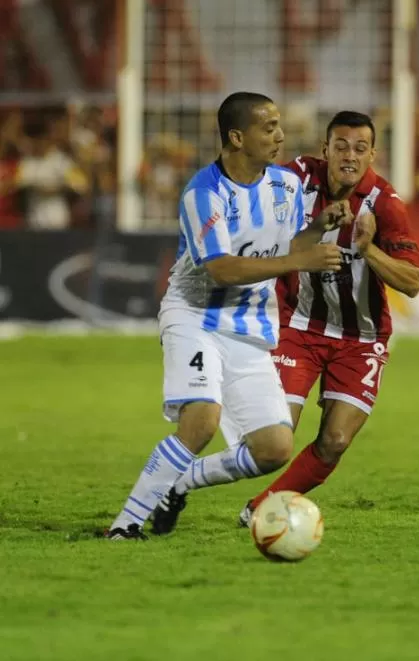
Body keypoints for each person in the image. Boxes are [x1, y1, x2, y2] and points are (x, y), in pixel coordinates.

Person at [150, 110, 419, 534]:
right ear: (325, 150)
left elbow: (413, 282)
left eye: (360, 148)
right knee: (274, 435)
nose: (349, 156)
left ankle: (253, 507)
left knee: (334, 441)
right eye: (341, 147)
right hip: (299, 328)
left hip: (361, 338)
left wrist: (368, 250)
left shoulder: (385, 205)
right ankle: (180, 482)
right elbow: (257, 198)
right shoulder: (295, 179)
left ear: (373, 154)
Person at [105, 91, 346, 540]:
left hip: (250, 327)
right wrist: (301, 262)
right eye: (268, 127)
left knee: (274, 449)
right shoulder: (204, 192)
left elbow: (286, 247)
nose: (280, 135)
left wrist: (317, 227)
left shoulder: (286, 186)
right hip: (194, 317)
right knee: (201, 421)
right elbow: (222, 268)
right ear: (237, 137)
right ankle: (125, 526)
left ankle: (177, 483)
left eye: (279, 125)